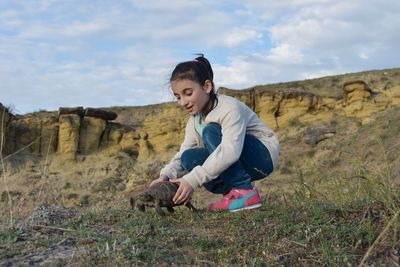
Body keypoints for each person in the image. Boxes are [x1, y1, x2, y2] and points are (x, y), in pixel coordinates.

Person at [150, 55, 280, 212]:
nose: (183, 102)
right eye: (178, 97)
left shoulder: (228, 108)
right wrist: (165, 175)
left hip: (262, 156)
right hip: (241, 160)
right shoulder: (194, 121)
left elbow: (230, 151)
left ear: (207, 86)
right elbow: (183, 152)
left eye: (188, 93)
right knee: (188, 157)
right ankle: (233, 194)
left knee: (211, 130)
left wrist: (193, 179)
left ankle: (245, 191)